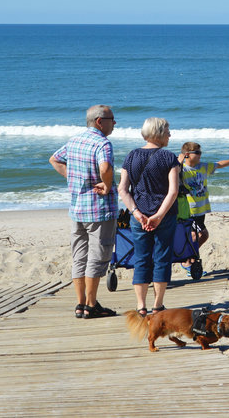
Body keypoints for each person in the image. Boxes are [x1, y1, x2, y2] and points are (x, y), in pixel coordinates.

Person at [48, 104, 120, 319]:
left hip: (77, 208)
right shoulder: (102, 143)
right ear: (100, 121)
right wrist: (106, 186)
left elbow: (54, 159)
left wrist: (74, 178)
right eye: (111, 119)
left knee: (80, 256)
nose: (114, 123)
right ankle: (90, 305)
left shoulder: (75, 140)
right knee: (98, 257)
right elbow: (105, 168)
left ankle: (80, 304)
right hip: (99, 209)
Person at [117, 117, 181, 316]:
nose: (170, 135)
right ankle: (158, 305)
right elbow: (173, 192)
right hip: (165, 215)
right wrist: (159, 216)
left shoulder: (131, 156)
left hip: (139, 216)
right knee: (162, 258)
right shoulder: (168, 157)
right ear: (159, 134)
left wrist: (136, 213)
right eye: (167, 131)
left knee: (141, 258)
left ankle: (140, 305)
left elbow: (123, 189)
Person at [177, 141, 229, 252]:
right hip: (190, 210)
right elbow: (168, 175)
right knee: (203, 235)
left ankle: (188, 256)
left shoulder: (203, 167)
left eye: (200, 152)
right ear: (187, 154)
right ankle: (188, 257)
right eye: (197, 152)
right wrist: (178, 162)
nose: (200, 154)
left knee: (196, 236)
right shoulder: (181, 169)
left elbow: (220, 164)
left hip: (202, 208)